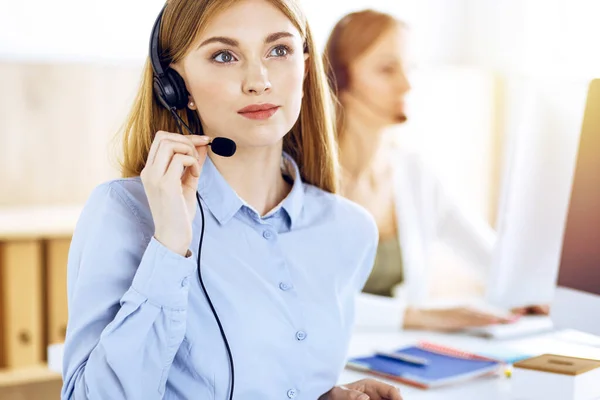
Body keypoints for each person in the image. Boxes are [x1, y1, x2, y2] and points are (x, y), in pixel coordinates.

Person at [60, 1, 403, 399]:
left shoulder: (349, 229)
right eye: (224, 55)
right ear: (175, 86)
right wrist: (169, 246)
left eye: (279, 51)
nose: (258, 81)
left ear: (305, 69)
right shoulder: (125, 213)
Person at [323, 10, 549, 333]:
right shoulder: (305, 178)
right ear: (339, 77)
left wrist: (538, 293)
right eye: (387, 69)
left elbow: (497, 263)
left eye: (409, 68)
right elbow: (309, 299)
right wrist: (422, 316)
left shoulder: (414, 174)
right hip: (328, 367)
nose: (407, 84)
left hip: (398, 357)